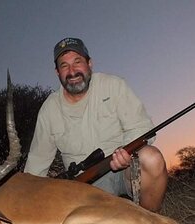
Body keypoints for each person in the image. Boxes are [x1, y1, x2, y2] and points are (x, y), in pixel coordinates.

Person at [24, 37, 167, 212]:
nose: (72, 71)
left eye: (78, 62)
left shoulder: (113, 85)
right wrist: (24, 197)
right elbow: (36, 164)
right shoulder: (49, 109)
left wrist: (124, 152)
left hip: (123, 169)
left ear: (90, 64)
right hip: (83, 184)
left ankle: (151, 222)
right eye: (64, 65)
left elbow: (142, 128)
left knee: (151, 159)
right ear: (57, 72)